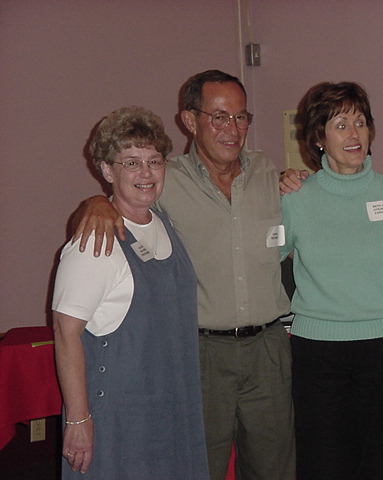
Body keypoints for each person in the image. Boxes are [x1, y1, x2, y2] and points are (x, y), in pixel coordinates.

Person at [72, 71, 294, 480]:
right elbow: (123, 200)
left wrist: (298, 179)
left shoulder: (266, 171)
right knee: (196, 465)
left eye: (241, 117)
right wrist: (94, 203)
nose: (232, 129)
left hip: (268, 350)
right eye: (219, 117)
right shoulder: (165, 179)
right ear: (190, 120)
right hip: (199, 353)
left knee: (274, 468)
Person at [52, 106, 208, 479]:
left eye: (154, 161)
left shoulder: (164, 224)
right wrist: (78, 419)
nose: (146, 173)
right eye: (132, 163)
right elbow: (65, 332)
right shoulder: (93, 242)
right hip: (120, 421)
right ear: (107, 170)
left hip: (173, 409)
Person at [280, 81, 383, 480]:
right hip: (317, 354)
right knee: (322, 467)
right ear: (318, 138)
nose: (354, 134)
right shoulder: (295, 197)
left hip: (382, 351)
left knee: (377, 465)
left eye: (360, 122)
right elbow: (265, 260)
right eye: (340, 125)